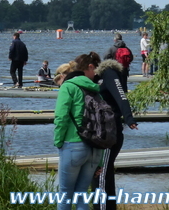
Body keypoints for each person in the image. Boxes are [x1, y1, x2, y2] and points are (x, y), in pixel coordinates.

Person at [53, 52, 103, 210]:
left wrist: (58, 142)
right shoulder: (95, 88)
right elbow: (101, 120)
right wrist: (100, 161)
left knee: (65, 195)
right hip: (94, 148)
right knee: (81, 194)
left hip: (73, 144)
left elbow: (61, 118)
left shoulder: (68, 87)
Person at [91, 54, 139, 210]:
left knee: (101, 175)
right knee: (105, 174)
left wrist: (129, 118)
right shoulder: (98, 78)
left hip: (110, 132)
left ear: (93, 66)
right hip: (103, 131)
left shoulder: (109, 73)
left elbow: (122, 97)